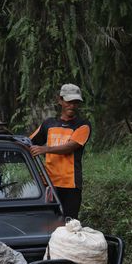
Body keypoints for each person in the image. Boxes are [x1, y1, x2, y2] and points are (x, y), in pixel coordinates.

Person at [29, 83, 91, 220]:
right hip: (49, 183)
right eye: (69, 101)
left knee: (69, 223)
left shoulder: (83, 125)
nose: (72, 105)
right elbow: (28, 143)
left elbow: (70, 147)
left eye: (75, 102)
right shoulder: (49, 124)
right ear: (60, 100)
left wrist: (46, 149)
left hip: (71, 184)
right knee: (48, 221)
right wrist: (5, 132)